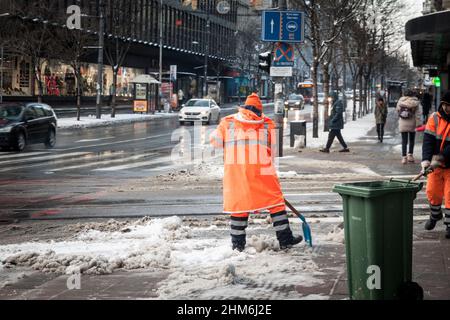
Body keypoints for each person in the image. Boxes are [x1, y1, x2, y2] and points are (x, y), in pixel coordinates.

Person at [210, 93, 303, 251]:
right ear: (260, 110)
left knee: (239, 207)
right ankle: (285, 239)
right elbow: (273, 151)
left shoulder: (228, 122)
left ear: (245, 107)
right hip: (262, 171)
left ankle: (237, 245)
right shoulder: (267, 125)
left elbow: (215, 142)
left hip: (236, 172)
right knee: (276, 204)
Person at [421, 90, 450, 239]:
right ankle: (435, 215)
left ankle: (449, 225)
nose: (447, 108)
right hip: (435, 164)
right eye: (445, 105)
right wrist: (426, 160)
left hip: (448, 165)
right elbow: (428, 140)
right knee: (432, 191)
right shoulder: (434, 118)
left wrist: (442, 157)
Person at [396, 90, 422, 164]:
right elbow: (418, 114)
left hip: (403, 122)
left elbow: (397, 110)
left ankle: (404, 158)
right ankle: (410, 155)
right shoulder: (416, 101)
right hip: (412, 122)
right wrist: (418, 123)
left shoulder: (401, 100)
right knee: (411, 140)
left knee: (404, 141)